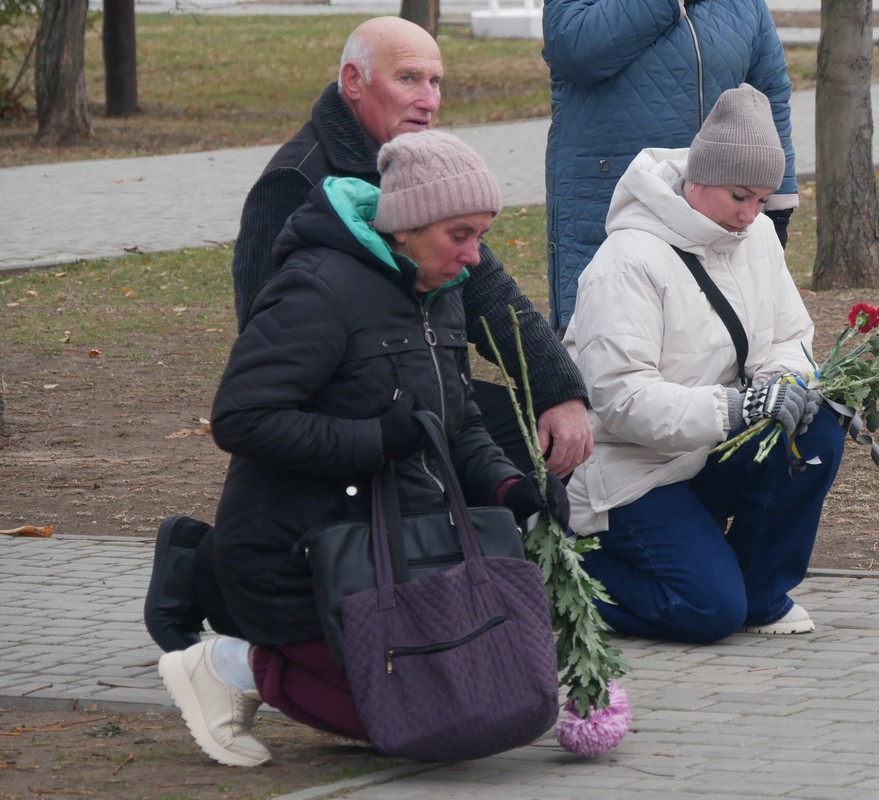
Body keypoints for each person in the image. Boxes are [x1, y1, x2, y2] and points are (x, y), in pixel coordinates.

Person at [145, 16, 591, 654]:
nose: (429, 97)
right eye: (409, 77)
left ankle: (439, 598)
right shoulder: (295, 181)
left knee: (507, 440)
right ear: (354, 82)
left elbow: (492, 295)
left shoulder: (427, 170)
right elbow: (268, 335)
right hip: (341, 404)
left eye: (436, 80)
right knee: (341, 551)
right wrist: (376, 419)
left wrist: (558, 392)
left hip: (405, 390)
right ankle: (206, 568)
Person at [158, 130, 572, 767]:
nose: (475, 257)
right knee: (433, 718)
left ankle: (263, 655)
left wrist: (509, 486)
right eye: (460, 235)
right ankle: (230, 663)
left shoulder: (439, 294)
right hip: (299, 557)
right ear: (406, 227)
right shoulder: (319, 290)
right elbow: (241, 418)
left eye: (481, 235)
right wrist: (373, 440)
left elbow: (456, 423)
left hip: (391, 551)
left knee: (488, 703)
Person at [563, 85, 845, 644]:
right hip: (630, 474)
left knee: (820, 426)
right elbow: (621, 402)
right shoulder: (626, 262)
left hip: (703, 450)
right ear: (697, 179)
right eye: (740, 195)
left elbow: (789, 336)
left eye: (763, 199)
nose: (750, 214)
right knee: (707, 611)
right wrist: (740, 407)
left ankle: (760, 595)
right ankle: (561, 575)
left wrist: (783, 383)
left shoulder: (758, 235)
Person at [542, 0, 799, 332]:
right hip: (608, 193)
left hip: (714, 200)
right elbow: (573, 48)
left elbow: (769, 93)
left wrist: (777, 200)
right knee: (610, 335)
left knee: (713, 334)